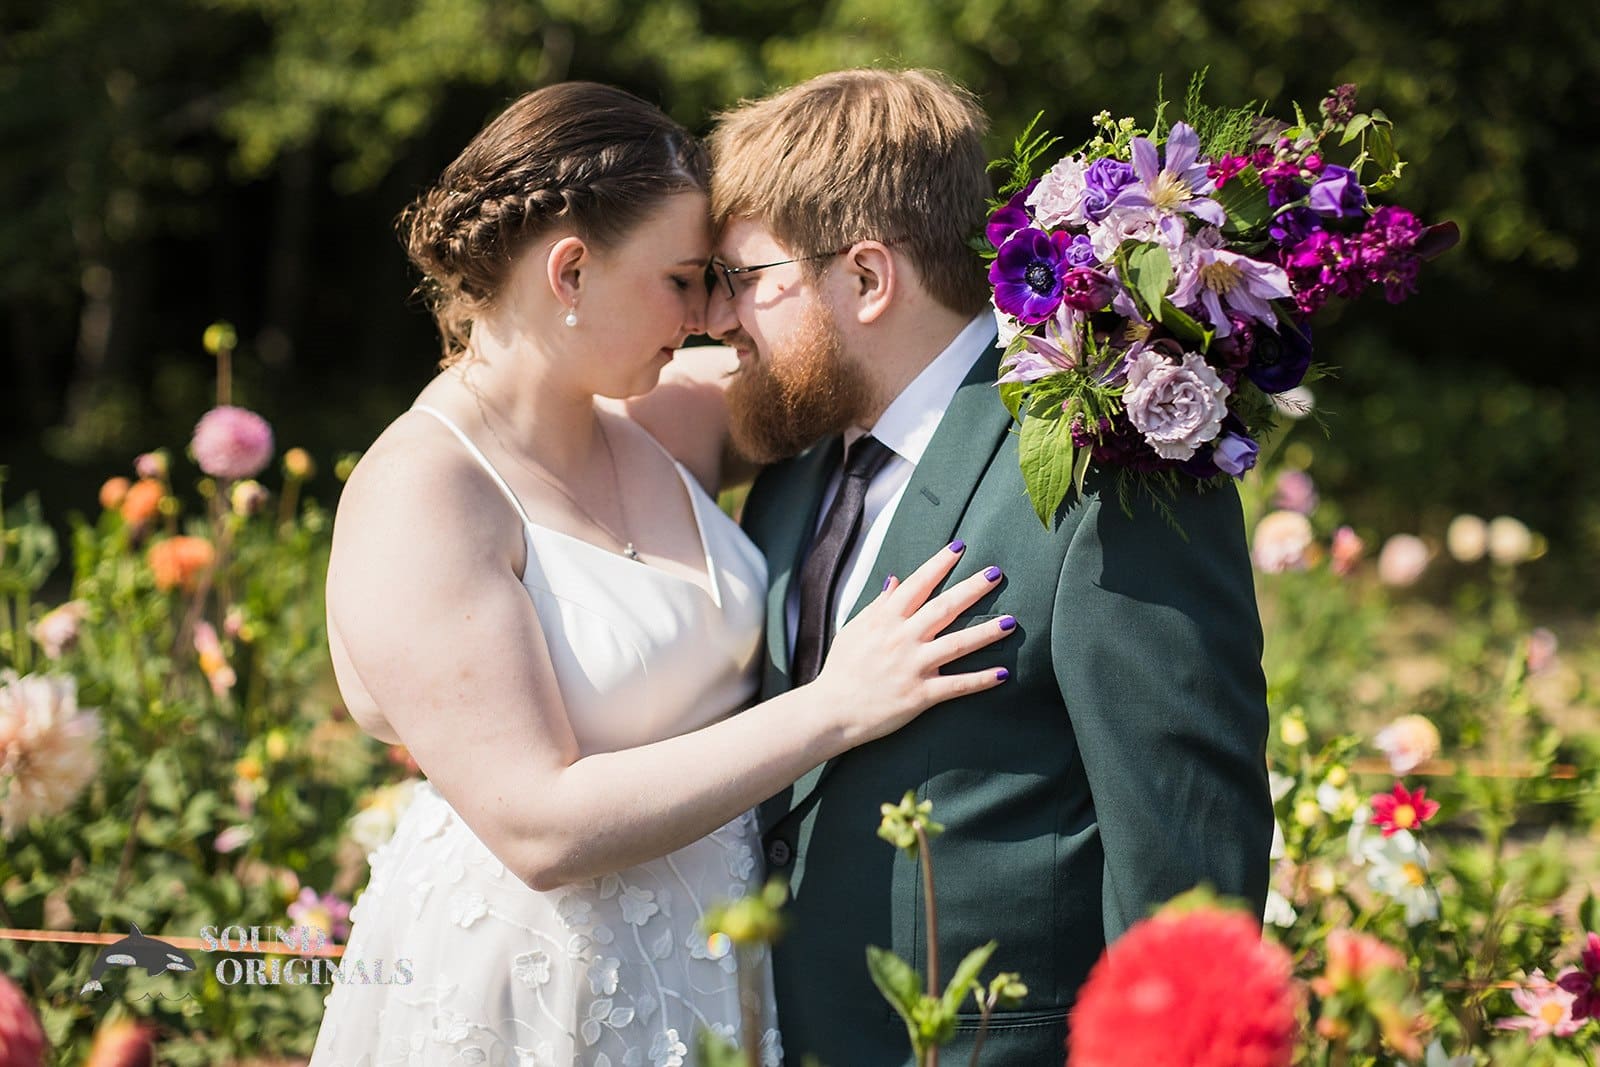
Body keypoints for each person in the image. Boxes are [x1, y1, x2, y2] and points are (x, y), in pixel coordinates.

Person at [308, 81, 1017, 1067]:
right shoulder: (423, 493)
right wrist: (834, 705)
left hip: (717, 963)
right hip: (539, 982)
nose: (710, 314)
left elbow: (889, 357)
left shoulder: (668, 414)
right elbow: (537, 827)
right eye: (683, 279)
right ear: (570, 272)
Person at [688, 68, 1274, 1064]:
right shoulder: (792, 471)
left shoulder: (1107, 472)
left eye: (743, 277)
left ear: (865, 278)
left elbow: (1186, 863)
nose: (718, 315)